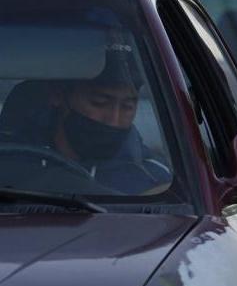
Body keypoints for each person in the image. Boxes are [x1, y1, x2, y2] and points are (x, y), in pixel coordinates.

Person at [3, 43, 171, 194]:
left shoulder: (157, 181)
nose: (113, 120)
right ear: (58, 95)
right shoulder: (9, 162)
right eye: (99, 103)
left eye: (127, 107)